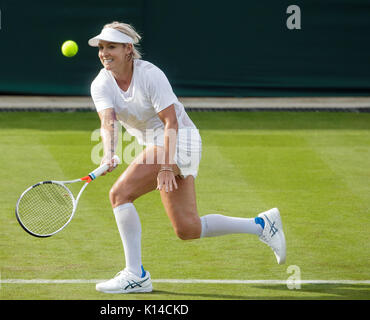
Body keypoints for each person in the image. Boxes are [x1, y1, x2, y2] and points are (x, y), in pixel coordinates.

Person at [88, 21, 286, 294]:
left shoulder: (150, 74)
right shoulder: (101, 83)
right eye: (101, 47)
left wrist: (167, 167)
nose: (104, 52)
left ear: (128, 49)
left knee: (119, 195)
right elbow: (107, 122)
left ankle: (136, 274)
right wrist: (109, 153)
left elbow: (171, 123)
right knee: (188, 228)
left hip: (181, 141)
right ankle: (262, 225)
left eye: (110, 46)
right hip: (159, 146)